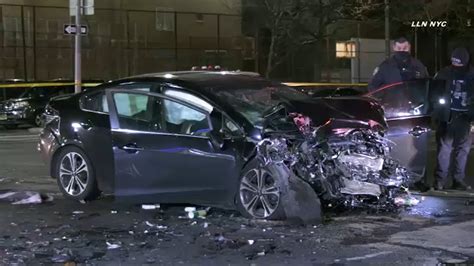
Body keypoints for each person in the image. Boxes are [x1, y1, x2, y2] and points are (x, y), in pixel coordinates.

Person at [432, 47, 474, 190]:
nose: (457, 66)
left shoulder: (472, 74)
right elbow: (434, 93)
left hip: (465, 118)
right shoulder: (444, 73)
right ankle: (439, 181)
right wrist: (438, 114)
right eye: (454, 62)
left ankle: (458, 180)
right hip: (447, 116)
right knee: (444, 150)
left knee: (462, 150)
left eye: (459, 63)